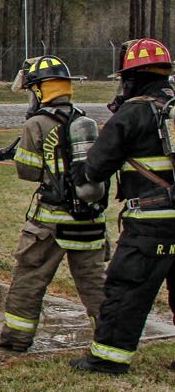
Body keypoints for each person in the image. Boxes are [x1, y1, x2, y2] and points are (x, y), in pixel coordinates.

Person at [0, 55, 108, 352]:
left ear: (39, 91)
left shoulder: (37, 124)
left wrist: (18, 154)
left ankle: (16, 336)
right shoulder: (84, 120)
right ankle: (111, 335)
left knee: (30, 276)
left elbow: (29, 171)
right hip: (89, 219)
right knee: (94, 282)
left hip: (50, 221)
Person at [71, 38, 175, 374]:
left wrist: (78, 167)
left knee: (126, 289)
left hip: (151, 223)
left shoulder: (134, 113)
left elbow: (95, 168)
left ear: (129, 78)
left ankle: (107, 359)